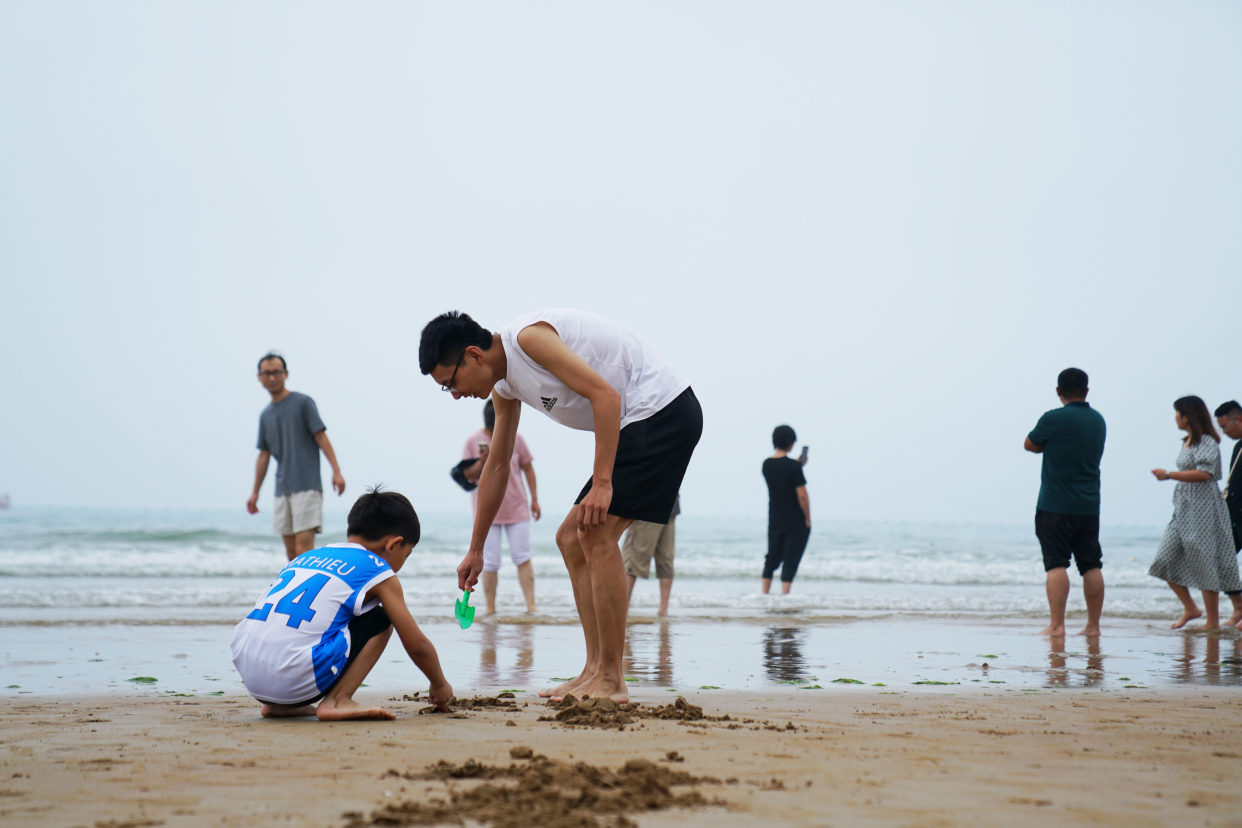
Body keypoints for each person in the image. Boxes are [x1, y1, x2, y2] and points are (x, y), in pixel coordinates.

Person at [419, 309, 702, 703]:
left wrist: (602, 484)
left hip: (662, 411)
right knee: (570, 538)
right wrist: (476, 548)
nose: (454, 394)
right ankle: (593, 671)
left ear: (474, 355)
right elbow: (498, 465)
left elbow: (606, 396)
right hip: (636, 421)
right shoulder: (504, 388)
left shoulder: (528, 340)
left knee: (595, 531)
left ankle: (612, 678)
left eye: (450, 382)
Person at [230, 487, 452, 720]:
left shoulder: (305, 557)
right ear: (393, 545)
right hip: (295, 679)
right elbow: (415, 642)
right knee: (381, 618)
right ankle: (338, 700)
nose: (401, 564)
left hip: (250, 675)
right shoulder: (377, 570)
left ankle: (280, 706)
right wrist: (438, 683)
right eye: (405, 556)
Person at [1024, 368, 1106, 637]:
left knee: (1056, 564)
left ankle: (1057, 626)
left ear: (1058, 391)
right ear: (1087, 390)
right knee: (1091, 565)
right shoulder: (1098, 420)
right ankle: (1093, 627)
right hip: (1089, 504)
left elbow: (1030, 444)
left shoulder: (1053, 419)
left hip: (1055, 503)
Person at [1148, 396, 1242, 630]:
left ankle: (1212, 622)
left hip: (1204, 510)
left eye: (1177, 413)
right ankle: (1191, 608)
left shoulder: (1207, 441)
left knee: (1205, 562)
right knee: (1162, 560)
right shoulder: (1187, 441)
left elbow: (1205, 474)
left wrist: (1169, 474)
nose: (1175, 418)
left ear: (1187, 416)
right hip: (1183, 509)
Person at [246, 353, 346, 560]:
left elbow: (321, 436)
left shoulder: (303, 402)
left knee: (304, 548)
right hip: (282, 488)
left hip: (307, 486)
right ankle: (300, 591)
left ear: (286, 374)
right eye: (267, 373)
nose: (272, 378)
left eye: (276, 372)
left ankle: (314, 591)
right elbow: (264, 455)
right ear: (259, 377)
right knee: (291, 553)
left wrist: (336, 471)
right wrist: (255, 492)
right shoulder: (266, 415)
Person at [461, 399, 541, 615]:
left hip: (516, 508)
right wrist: (481, 462)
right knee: (489, 563)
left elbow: (528, 469)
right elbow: (466, 475)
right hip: (487, 512)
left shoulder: (517, 439)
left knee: (522, 557)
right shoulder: (473, 441)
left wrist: (534, 499)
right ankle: (490, 609)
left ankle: (532, 607)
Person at [762, 425, 810, 594]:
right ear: (790, 442)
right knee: (790, 559)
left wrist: (797, 466)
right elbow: (802, 496)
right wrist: (807, 518)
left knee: (772, 558)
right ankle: (785, 597)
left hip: (775, 518)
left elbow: (781, 474)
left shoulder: (766, 465)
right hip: (794, 520)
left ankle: (764, 595)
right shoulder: (794, 467)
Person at [622, 494, 680, 616]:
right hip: (670, 502)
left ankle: (621, 611)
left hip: (648, 502)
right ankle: (663, 611)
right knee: (665, 559)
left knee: (633, 559)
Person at [1214, 400, 1242, 628]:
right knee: (1221, 560)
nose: (1224, 432)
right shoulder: (1237, 446)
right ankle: (1238, 609)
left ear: (1239, 419)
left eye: (1225, 427)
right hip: (1233, 516)